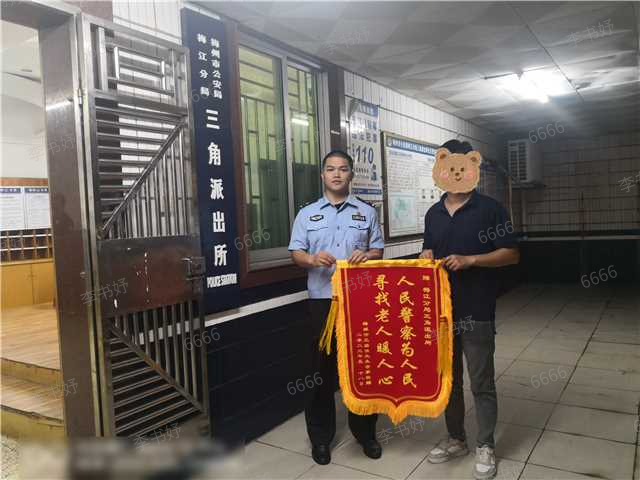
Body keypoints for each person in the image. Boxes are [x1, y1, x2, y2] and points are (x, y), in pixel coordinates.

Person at [419, 139, 519, 480]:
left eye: (461, 167)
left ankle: (485, 445)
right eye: (448, 167)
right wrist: (425, 257)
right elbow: (428, 251)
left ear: (471, 168)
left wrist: (472, 260)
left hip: (476, 309)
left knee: (481, 382)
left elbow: (511, 254)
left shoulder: (490, 209)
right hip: (441, 313)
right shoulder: (433, 213)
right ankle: (456, 439)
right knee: (449, 382)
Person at [288, 150, 384, 465]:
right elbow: (296, 253)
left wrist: (366, 256)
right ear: (323, 175)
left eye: (343, 169)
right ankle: (320, 437)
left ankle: (366, 433)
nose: (337, 174)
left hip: (359, 300)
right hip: (321, 300)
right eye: (331, 169)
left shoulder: (366, 212)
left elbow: (378, 250)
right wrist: (312, 258)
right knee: (320, 371)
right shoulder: (307, 214)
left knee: (362, 367)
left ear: (351, 174)